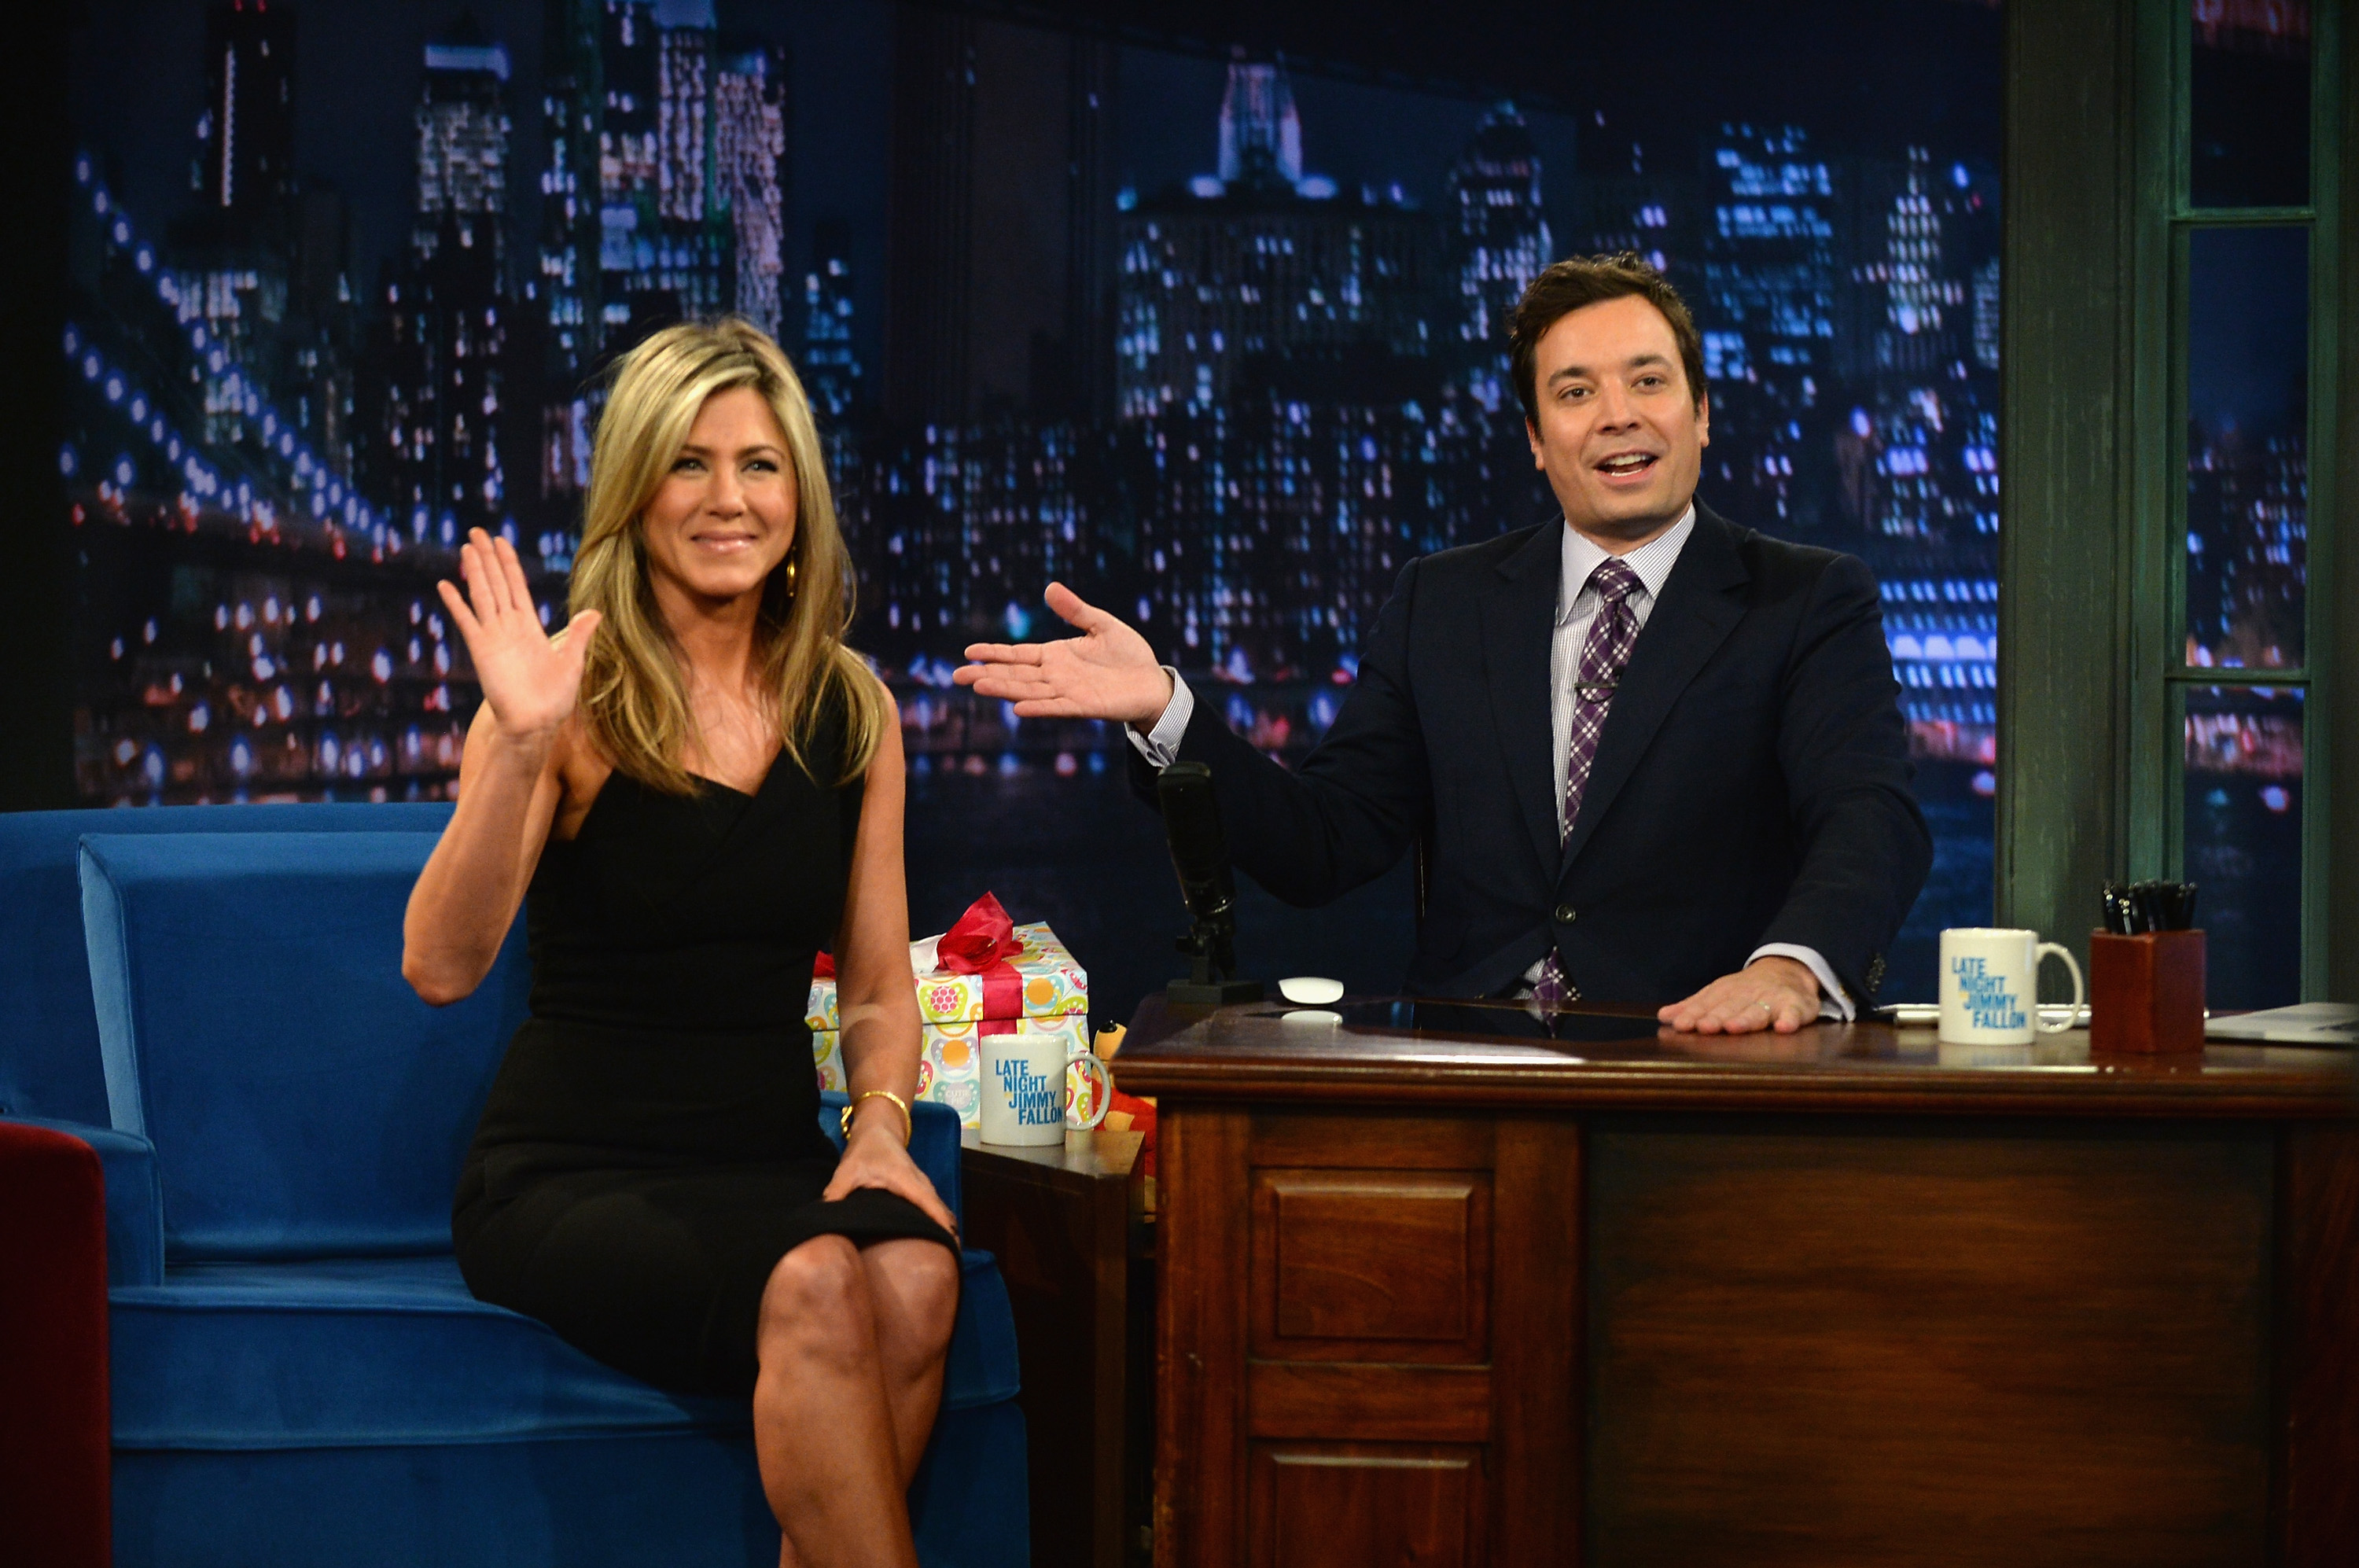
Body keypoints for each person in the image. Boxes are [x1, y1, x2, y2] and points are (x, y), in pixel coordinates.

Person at [956, 253, 1930, 1034]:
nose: (1619, 415)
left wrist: (1791, 968)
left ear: (1703, 412)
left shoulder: (1805, 598)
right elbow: (1325, 842)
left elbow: (1870, 815)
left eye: (1649, 381)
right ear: (1536, 438)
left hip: (1691, 1062)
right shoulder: (1445, 600)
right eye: (1576, 392)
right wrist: (1168, 710)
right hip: (1464, 1071)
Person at [402, 318, 959, 1568]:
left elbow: (878, 986)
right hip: (572, 1171)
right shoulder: (564, 699)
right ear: (633, 490)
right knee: (817, 1278)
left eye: (759, 465)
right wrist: (521, 742)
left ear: (800, 498)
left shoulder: (854, 708)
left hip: (768, 1160)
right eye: (688, 464)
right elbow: (440, 965)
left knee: (922, 1279)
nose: (728, 499)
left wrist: (879, 1128)